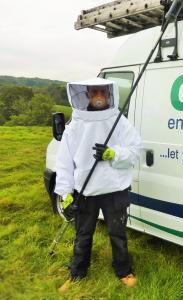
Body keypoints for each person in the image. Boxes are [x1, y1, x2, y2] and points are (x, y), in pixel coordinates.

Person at [54, 78, 142, 293]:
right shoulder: (74, 126)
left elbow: (135, 150)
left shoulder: (119, 122)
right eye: (95, 92)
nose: (99, 96)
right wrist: (66, 193)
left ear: (109, 95)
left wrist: (114, 154)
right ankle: (77, 274)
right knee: (83, 235)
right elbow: (64, 162)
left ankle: (124, 271)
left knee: (117, 233)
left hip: (115, 189)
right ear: (87, 95)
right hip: (85, 191)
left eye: (102, 92)